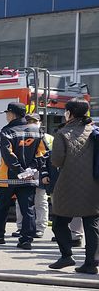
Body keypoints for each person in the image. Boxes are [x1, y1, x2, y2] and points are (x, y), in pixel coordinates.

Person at [45, 100, 98, 273]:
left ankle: (66, 255)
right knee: (92, 224)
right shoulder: (95, 131)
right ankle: (91, 263)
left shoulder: (63, 133)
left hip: (68, 184)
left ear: (70, 113)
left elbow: (57, 160)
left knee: (59, 222)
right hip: (95, 184)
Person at [0, 101, 46, 250]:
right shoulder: (36, 131)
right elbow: (42, 153)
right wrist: (30, 169)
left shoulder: (7, 131)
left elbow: (8, 155)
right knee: (28, 209)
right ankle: (26, 240)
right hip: (29, 178)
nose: (6, 116)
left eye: (7, 113)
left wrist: (19, 171)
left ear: (11, 114)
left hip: (8, 178)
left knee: (2, 208)